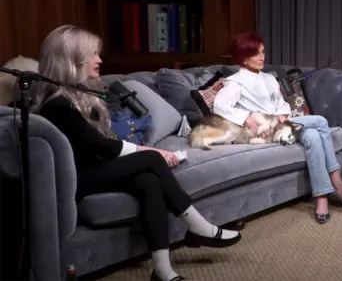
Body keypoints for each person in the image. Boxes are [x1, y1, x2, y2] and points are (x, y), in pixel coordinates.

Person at [33, 25, 242, 281]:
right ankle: (198, 226)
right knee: (152, 158)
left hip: (94, 168)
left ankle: (163, 270)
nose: (99, 60)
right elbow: (99, 146)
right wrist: (149, 149)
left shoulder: (80, 96)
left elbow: (101, 144)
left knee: (148, 181)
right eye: (93, 55)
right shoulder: (56, 105)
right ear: (71, 59)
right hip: (76, 180)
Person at [212, 32, 342, 224]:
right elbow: (220, 106)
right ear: (242, 57)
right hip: (264, 130)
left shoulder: (269, 79)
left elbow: (282, 104)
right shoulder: (235, 82)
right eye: (255, 53)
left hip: (280, 125)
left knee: (314, 137)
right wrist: (247, 117)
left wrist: (283, 114)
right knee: (320, 122)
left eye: (263, 52)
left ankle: (322, 198)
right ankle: (337, 180)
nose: (262, 57)